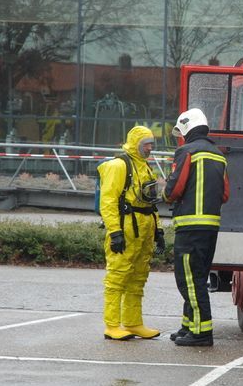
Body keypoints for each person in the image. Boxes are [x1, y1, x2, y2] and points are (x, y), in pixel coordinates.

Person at [163, 108, 229, 347]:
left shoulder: (187, 151)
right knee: (197, 278)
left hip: (190, 228)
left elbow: (174, 190)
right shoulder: (218, 156)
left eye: (181, 133)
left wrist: (164, 192)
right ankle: (188, 326)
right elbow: (225, 194)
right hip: (210, 228)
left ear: (188, 129)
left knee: (188, 280)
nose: (180, 138)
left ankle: (201, 332)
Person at [99, 125, 166, 341]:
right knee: (117, 277)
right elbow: (108, 201)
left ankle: (133, 322)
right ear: (136, 144)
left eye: (151, 145)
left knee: (138, 278)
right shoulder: (120, 166)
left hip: (143, 229)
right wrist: (115, 231)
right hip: (127, 228)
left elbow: (150, 202)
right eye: (146, 144)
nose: (149, 148)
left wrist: (159, 230)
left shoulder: (145, 167)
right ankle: (112, 325)